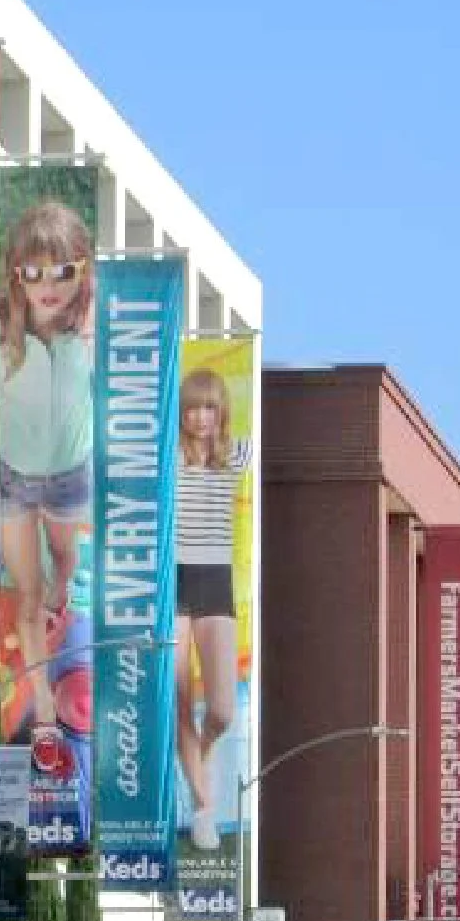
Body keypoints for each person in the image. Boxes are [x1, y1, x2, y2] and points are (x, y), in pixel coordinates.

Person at [0, 199, 96, 732]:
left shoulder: (89, 335)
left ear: (81, 274)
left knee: (65, 559)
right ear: (18, 276)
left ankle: (65, 586)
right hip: (15, 477)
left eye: (62, 272)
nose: (48, 285)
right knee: (27, 597)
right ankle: (43, 704)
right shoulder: (1, 336)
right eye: (33, 273)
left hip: (70, 476)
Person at [174, 365, 249, 851]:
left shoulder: (236, 454)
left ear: (221, 412)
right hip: (174, 581)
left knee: (221, 710)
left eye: (209, 408)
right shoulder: (170, 457)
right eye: (192, 408)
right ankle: (203, 807)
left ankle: (200, 758)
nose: (201, 417)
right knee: (180, 701)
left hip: (215, 580)